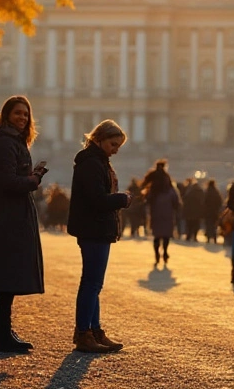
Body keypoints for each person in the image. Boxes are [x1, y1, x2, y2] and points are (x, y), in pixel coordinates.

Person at [0, 96, 47, 353]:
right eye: (18, 113)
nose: (23, 118)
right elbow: (8, 181)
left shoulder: (13, 140)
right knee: (8, 272)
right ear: (6, 115)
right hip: (7, 213)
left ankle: (2, 326)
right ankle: (0, 331)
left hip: (13, 211)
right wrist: (34, 178)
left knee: (11, 272)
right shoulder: (5, 142)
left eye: (26, 115)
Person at [67, 119, 133, 354]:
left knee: (94, 283)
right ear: (100, 139)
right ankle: (84, 332)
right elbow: (96, 199)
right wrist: (121, 199)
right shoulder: (91, 163)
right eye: (113, 144)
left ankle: (94, 330)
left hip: (97, 228)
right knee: (91, 283)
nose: (115, 150)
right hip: (93, 228)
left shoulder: (97, 161)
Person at [144, 161, 181, 266]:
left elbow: (147, 199)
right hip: (168, 214)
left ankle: (157, 255)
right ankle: (164, 252)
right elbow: (176, 201)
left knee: (156, 236)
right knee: (166, 236)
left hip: (156, 214)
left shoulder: (154, 186)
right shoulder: (168, 183)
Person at [203, 179, 224, 244]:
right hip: (215, 212)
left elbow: (204, 202)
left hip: (208, 212)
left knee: (208, 225)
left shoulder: (207, 192)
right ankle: (214, 238)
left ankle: (208, 238)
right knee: (214, 225)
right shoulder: (216, 192)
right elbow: (220, 202)